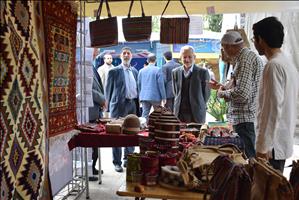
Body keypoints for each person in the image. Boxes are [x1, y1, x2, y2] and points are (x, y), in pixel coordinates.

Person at [252, 17, 299, 172]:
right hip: (280, 142)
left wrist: (262, 147)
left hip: (272, 148)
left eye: (254, 38)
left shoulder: (274, 66)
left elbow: (271, 110)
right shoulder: (286, 63)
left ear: (261, 40)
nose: (254, 42)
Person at [215, 31, 264, 159]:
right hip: (245, 118)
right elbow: (241, 86)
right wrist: (225, 87)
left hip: (245, 118)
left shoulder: (244, 60)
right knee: (247, 159)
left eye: (223, 48)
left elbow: (242, 94)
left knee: (248, 160)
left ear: (229, 47)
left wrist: (222, 94)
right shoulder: (244, 57)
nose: (223, 52)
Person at [105, 47, 139, 172]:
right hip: (118, 106)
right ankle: (117, 162)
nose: (126, 55)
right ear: (120, 56)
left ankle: (128, 159)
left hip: (132, 105)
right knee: (117, 134)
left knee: (131, 132)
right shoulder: (114, 71)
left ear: (131, 56)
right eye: (124, 53)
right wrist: (106, 105)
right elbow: (108, 89)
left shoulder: (135, 71)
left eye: (128, 53)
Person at [172, 45, 210, 123]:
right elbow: (175, 92)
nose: (187, 59)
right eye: (184, 57)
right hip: (179, 112)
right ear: (180, 57)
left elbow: (206, 94)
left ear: (194, 57)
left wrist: (199, 104)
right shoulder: (175, 72)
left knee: (196, 134)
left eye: (190, 57)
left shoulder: (203, 72)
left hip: (196, 113)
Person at [88, 64, 106, 177]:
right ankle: (89, 171)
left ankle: (93, 168)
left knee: (95, 143)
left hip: (95, 110)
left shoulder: (92, 66)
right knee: (90, 143)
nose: (97, 49)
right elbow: (88, 88)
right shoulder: (83, 65)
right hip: (89, 110)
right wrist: (102, 99)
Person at [138, 53, 166, 121]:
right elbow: (161, 85)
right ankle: (156, 129)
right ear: (155, 61)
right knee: (157, 115)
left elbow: (139, 84)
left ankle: (144, 128)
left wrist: (140, 96)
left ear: (147, 61)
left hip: (144, 96)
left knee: (145, 115)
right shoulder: (158, 70)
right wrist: (164, 97)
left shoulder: (141, 71)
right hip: (156, 97)